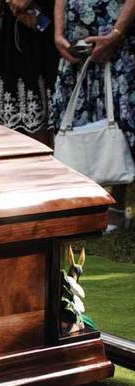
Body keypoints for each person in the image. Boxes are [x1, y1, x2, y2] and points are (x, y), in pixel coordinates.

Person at [51, 0, 135, 230]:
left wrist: (116, 33)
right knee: (72, 125)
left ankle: (116, 209)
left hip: (116, 42)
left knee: (122, 124)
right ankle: (81, 206)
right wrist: (58, 33)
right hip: (75, 46)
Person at [0, 0, 59, 146]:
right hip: (18, 25)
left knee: (54, 111)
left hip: (55, 19)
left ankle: (57, 163)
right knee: (29, 108)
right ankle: (39, 165)